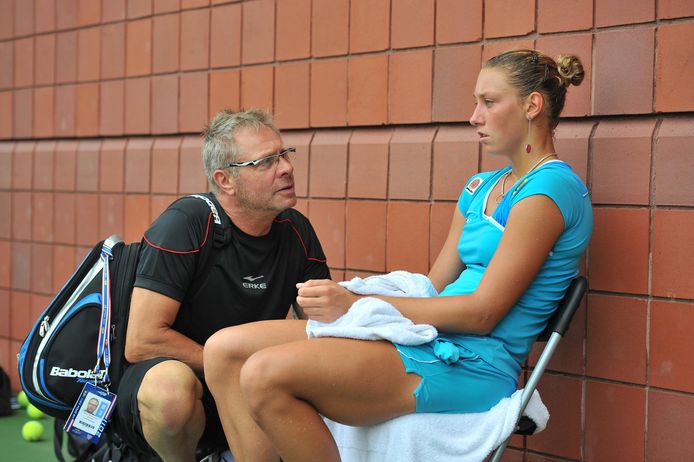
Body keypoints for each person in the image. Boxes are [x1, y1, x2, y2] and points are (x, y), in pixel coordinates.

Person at [203, 49, 593, 462]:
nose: (474, 116)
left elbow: (483, 314)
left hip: (474, 362)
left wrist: (358, 304)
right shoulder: (481, 186)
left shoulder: (548, 190)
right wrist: (360, 306)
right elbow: (434, 287)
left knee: (265, 375)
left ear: (533, 105)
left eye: (489, 102)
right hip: (432, 338)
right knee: (224, 350)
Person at [113, 109, 331, 462]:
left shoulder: (296, 230)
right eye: (266, 162)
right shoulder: (187, 223)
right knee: (171, 390)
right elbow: (142, 342)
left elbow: (320, 330)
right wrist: (231, 365)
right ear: (225, 180)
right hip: (176, 383)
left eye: (285, 154)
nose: (287, 168)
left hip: (245, 385)